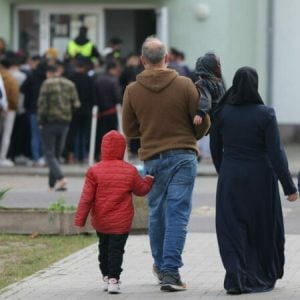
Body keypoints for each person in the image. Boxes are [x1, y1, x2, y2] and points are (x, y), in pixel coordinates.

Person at [122, 37, 209, 292]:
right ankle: (171, 272)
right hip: (183, 156)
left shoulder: (132, 90)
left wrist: (149, 130)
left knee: (157, 213)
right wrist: (193, 135)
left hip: (152, 159)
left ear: (142, 60)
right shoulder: (185, 85)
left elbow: (129, 129)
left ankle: (161, 266)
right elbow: (201, 122)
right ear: (166, 58)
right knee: (178, 214)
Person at [210, 66, 298, 295]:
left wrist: (225, 172)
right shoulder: (265, 114)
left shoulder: (222, 113)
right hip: (261, 178)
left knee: (232, 227)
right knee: (261, 226)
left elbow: (215, 149)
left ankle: (236, 275)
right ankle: (260, 272)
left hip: (231, 175)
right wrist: (289, 187)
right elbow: (276, 153)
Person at [74, 130, 154, 294]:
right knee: (116, 250)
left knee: (103, 248)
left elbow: (86, 198)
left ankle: (105, 276)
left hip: (101, 220)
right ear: (122, 149)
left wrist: (79, 221)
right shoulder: (130, 170)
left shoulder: (94, 171)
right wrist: (149, 179)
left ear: (103, 148)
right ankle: (113, 279)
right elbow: (141, 190)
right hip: (121, 221)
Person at [37, 64, 80, 191]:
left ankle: (61, 178)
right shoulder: (70, 84)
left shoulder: (47, 84)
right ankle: (52, 185)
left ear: (48, 73)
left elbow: (42, 104)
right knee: (56, 154)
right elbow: (76, 104)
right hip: (65, 123)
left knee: (49, 154)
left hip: (49, 122)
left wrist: (41, 120)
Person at [193, 52, 226, 161]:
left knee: (210, 141)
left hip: (211, 116)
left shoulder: (202, 83)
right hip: (221, 114)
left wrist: (200, 113)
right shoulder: (219, 81)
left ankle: (201, 154)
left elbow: (205, 98)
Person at [94, 60, 121, 160]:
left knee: (100, 135)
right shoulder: (113, 80)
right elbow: (117, 96)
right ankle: (111, 155)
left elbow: (95, 96)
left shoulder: (98, 80)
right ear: (112, 69)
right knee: (112, 135)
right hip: (112, 112)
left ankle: (99, 154)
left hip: (100, 113)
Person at [0, 56, 19, 167]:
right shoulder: (11, 78)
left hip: (3, 107)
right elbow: (14, 95)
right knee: (6, 134)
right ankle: (2, 157)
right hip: (9, 109)